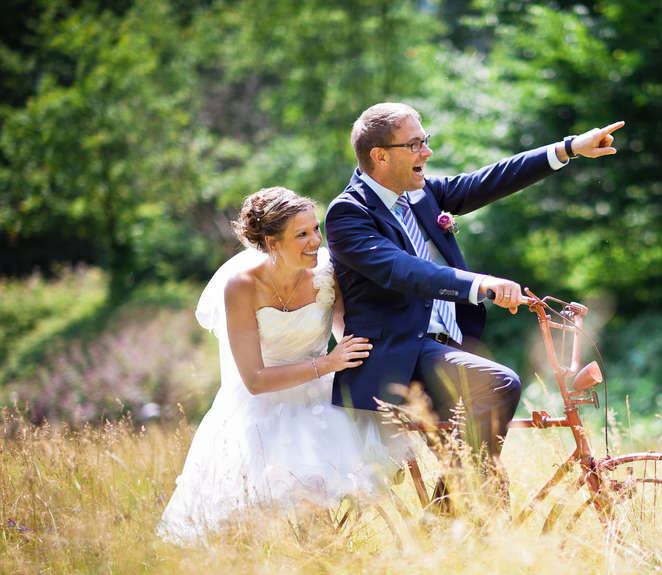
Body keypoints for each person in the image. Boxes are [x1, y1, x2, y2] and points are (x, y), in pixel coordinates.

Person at [325, 102, 622, 492]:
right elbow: (402, 270)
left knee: (489, 486)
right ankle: (448, 517)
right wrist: (479, 284)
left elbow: (488, 180)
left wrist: (568, 148)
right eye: (415, 145)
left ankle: (458, 524)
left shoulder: (420, 194)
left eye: (425, 141)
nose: (426, 153)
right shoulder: (349, 214)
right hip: (399, 357)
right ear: (379, 156)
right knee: (498, 383)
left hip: (446, 351)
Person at [158, 186, 406, 543]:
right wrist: (328, 363)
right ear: (272, 243)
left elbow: (343, 331)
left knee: (319, 495)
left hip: (320, 398)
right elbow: (255, 380)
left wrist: (376, 367)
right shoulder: (241, 287)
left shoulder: (327, 272)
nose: (315, 242)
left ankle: (323, 567)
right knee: (245, 521)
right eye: (302, 234)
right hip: (263, 404)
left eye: (316, 229)